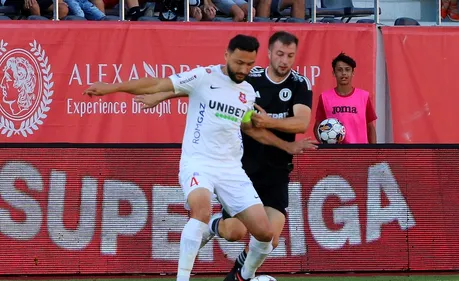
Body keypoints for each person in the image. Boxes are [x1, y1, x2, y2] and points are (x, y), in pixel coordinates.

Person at [83, 34, 315, 281]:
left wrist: (285, 146)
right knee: (201, 211)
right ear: (226, 55)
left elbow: (249, 129)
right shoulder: (204, 76)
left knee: (266, 234)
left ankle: (244, 276)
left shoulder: (247, 91)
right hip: (199, 163)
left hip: (231, 169)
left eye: (249, 64)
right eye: (238, 62)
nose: (243, 69)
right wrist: (112, 88)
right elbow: (160, 83)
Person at [314, 52, 377, 144]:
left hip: (360, 154)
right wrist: (326, 145)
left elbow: (370, 127)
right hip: (336, 155)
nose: (343, 73)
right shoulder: (325, 97)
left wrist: (374, 153)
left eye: (347, 70)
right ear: (334, 73)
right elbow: (317, 127)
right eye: (339, 70)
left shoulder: (364, 96)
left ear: (353, 73)